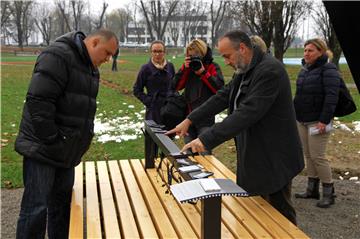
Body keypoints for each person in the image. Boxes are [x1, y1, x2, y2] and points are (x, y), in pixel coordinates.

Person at [167, 30, 304, 224]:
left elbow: (247, 113)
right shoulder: (245, 69)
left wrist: (206, 139)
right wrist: (189, 119)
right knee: (256, 211)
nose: (226, 61)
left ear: (242, 48)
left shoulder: (270, 71)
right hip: (256, 153)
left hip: (275, 156)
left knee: (279, 215)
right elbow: (222, 96)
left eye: (227, 56)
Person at [15, 29, 118, 239]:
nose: (108, 59)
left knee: (61, 209)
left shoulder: (90, 68)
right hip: (44, 149)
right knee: (35, 210)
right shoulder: (58, 55)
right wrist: (53, 139)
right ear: (95, 42)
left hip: (66, 152)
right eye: (107, 53)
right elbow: (38, 101)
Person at [293, 38, 340, 208]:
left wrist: (324, 120)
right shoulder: (304, 69)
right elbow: (299, 95)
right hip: (302, 120)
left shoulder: (329, 69)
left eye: (310, 50)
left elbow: (331, 97)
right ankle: (312, 190)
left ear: (321, 52)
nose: (306, 53)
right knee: (308, 155)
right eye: (305, 50)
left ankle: (330, 193)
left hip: (318, 121)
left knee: (318, 157)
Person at [172, 39, 224, 154]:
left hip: (206, 118)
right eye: (191, 56)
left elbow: (219, 89)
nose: (194, 58)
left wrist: (204, 73)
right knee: (189, 153)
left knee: (205, 152)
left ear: (203, 53)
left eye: (197, 55)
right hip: (188, 117)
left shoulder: (212, 66)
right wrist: (184, 69)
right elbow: (175, 86)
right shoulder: (188, 68)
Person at [133, 40, 175, 124]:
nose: (157, 54)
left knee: (168, 136)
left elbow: (174, 86)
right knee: (152, 135)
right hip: (153, 112)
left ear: (164, 52)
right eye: (154, 51)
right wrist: (149, 102)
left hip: (169, 110)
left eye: (160, 51)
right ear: (151, 52)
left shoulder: (170, 66)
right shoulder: (145, 69)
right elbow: (137, 90)